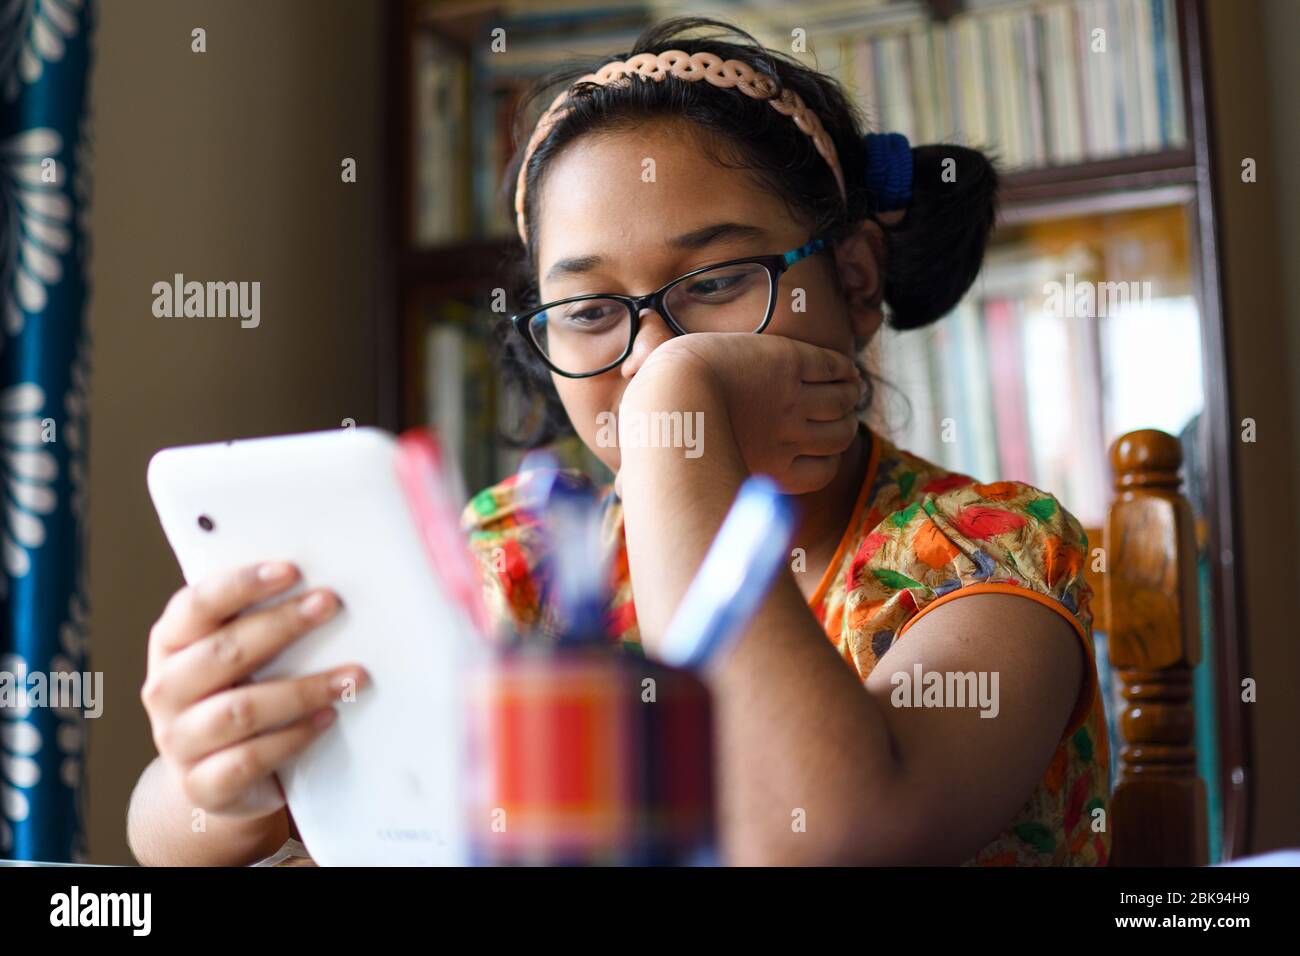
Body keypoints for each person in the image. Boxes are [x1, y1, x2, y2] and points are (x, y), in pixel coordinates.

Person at [126, 16, 1108, 867]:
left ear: (853, 283)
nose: (650, 352)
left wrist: (681, 412)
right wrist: (223, 776)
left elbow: (812, 836)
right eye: (591, 309)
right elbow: (164, 831)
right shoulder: (512, 565)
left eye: (717, 281)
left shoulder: (992, 555)